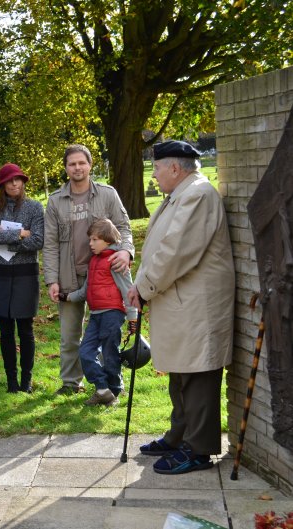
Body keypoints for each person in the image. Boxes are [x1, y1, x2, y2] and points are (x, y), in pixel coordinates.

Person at [127, 140, 234, 475]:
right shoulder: (182, 194)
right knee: (181, 372)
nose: (154, 175)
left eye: (157, 168)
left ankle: (199, 448)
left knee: (198, 373)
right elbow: (158, 247)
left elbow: (176, 252)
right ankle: (179, 436)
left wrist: (143, 288)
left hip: (196, 305)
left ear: (174, 168)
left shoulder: (199, 194)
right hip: (180, 302)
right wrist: (140, 284)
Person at [44, 145, 134, 395]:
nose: (77, 168)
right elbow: (49, 244)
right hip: (68, 275)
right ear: (65, 168)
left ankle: (112, 383)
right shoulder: (55, 201)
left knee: (108, 335)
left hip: (106, 274)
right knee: (69, 336)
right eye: (72, 164)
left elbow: (124, 227)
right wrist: (51, 279)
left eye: (81, 163)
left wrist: (125, 252)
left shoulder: (107, 194)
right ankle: (72, 383)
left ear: (90, 165)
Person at [61, 219, 138, 407]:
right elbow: (85, 291)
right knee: (85, 352)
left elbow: (128, 290)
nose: (90, 244)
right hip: (96, 315)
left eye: (95, 239)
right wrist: (66, 297)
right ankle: (102, 389)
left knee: (110, 354)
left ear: (107, 239)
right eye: (90, 240)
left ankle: (114, 392)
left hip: (113, 314)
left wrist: (133, 317)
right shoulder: (93, 261)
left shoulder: (116, 260)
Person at [0, 163, 44, 393]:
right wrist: (19, 233)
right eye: (10, 181)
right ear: (2, 185)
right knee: (5, 330)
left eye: (18, 179)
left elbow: (38, 241)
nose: (15, 183)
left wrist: (5, 237)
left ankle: (26, 381)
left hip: (25, 273)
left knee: (25, 329)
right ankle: (11, 382)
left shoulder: (34, 207)